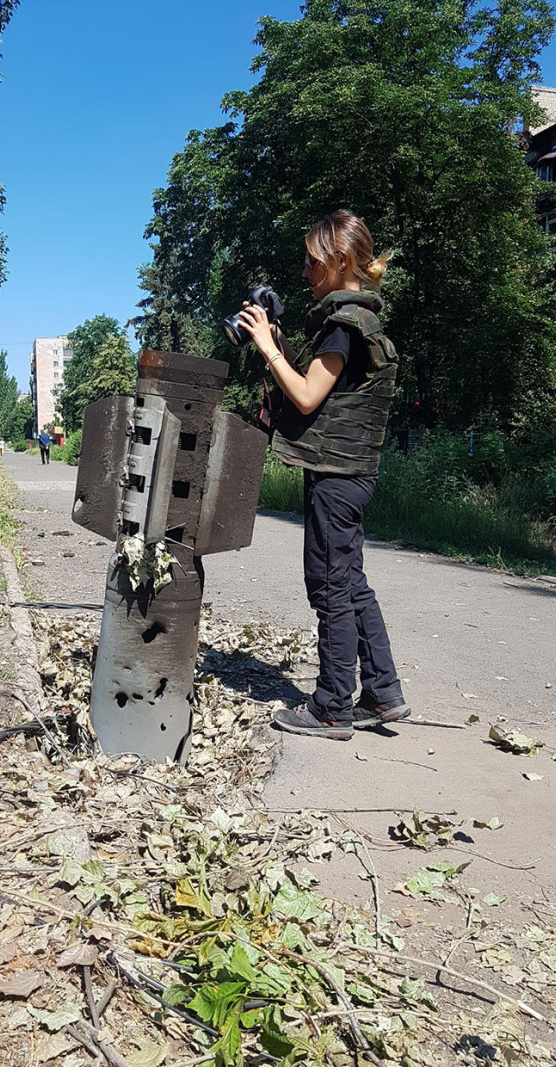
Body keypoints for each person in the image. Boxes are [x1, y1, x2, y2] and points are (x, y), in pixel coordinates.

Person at [237, 209, 409, 741]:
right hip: (353, 472)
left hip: (337, 476)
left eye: (313, 263)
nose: (306, 273)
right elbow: (318, 386)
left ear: (339, 261)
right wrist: (280, 348)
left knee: (331, 585)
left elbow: (308, 396)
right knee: (351, 580)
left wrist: (267, 348)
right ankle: (382, 693)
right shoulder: (359, 322)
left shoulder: (342, 327)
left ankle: (332, 705)